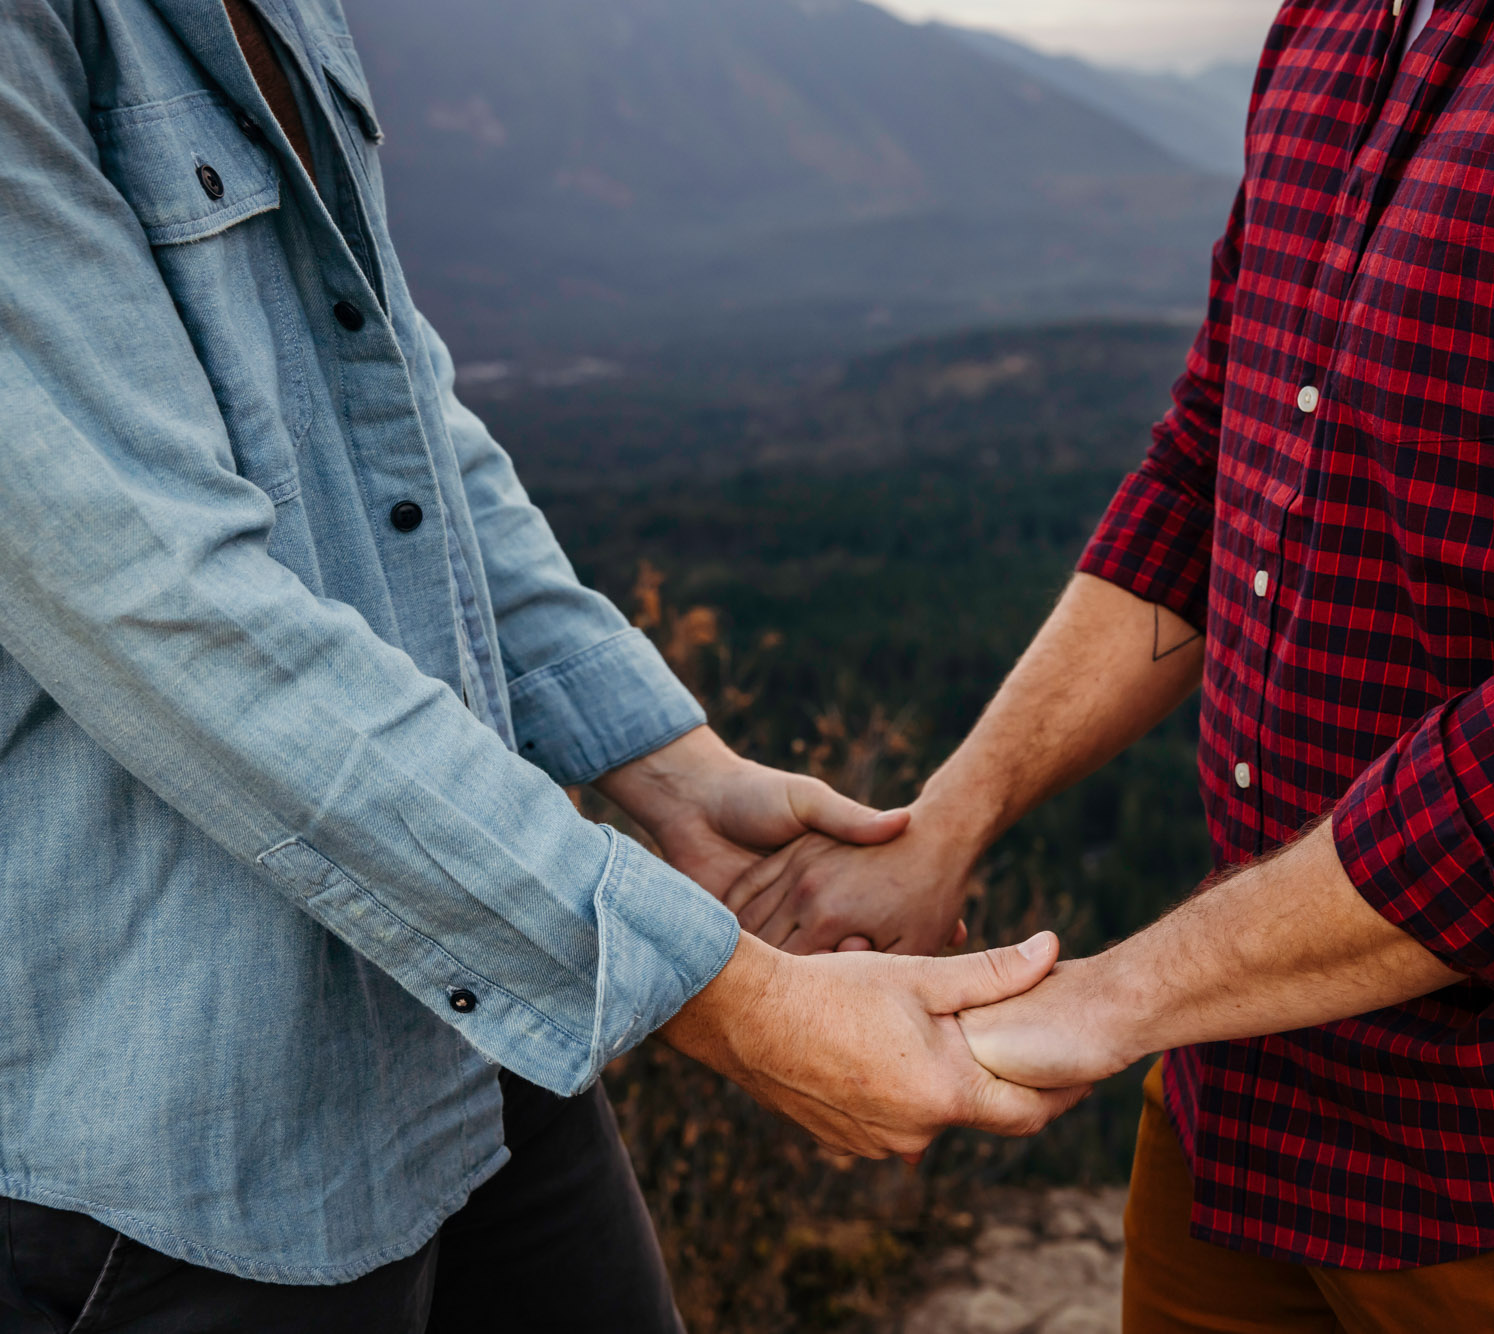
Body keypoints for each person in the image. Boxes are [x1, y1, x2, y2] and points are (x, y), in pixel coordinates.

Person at [728, 0, 1494, 1327]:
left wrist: (1097, 1005)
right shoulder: (1348, 16)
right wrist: (947, 820)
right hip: (1249, 1067)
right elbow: (1220, 455)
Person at [0, 2, 1083, 1330]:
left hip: (469, 1024)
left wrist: (669, 767)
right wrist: (730, 999)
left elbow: (392, 411)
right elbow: (169, 609)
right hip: (189, 1135)